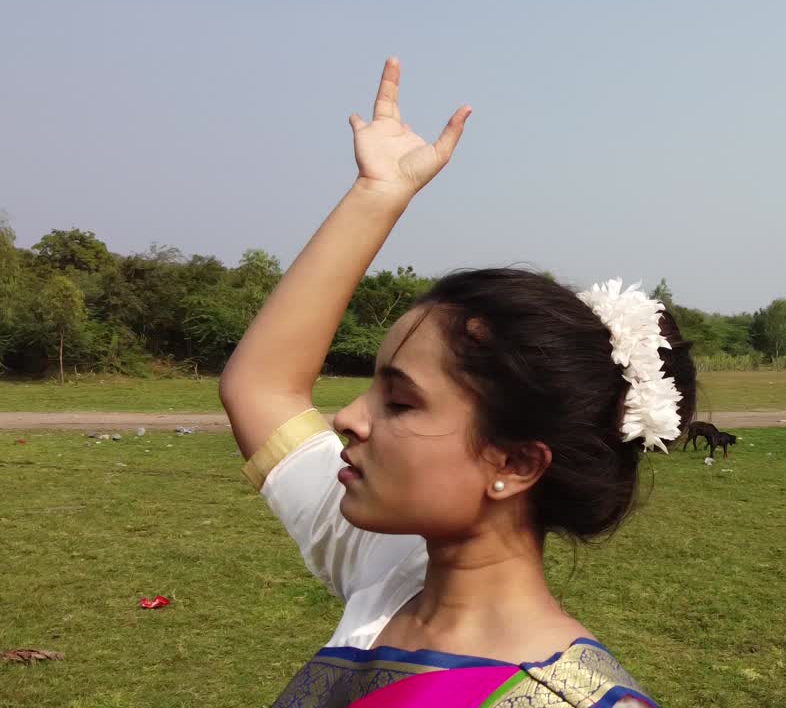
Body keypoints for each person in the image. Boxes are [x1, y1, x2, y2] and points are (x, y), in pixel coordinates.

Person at [220, 58, 695, 708]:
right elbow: (262, 387)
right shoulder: (388, 578)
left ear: (516, 462)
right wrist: (376, 195)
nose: (348, 420)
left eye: (400, 401)